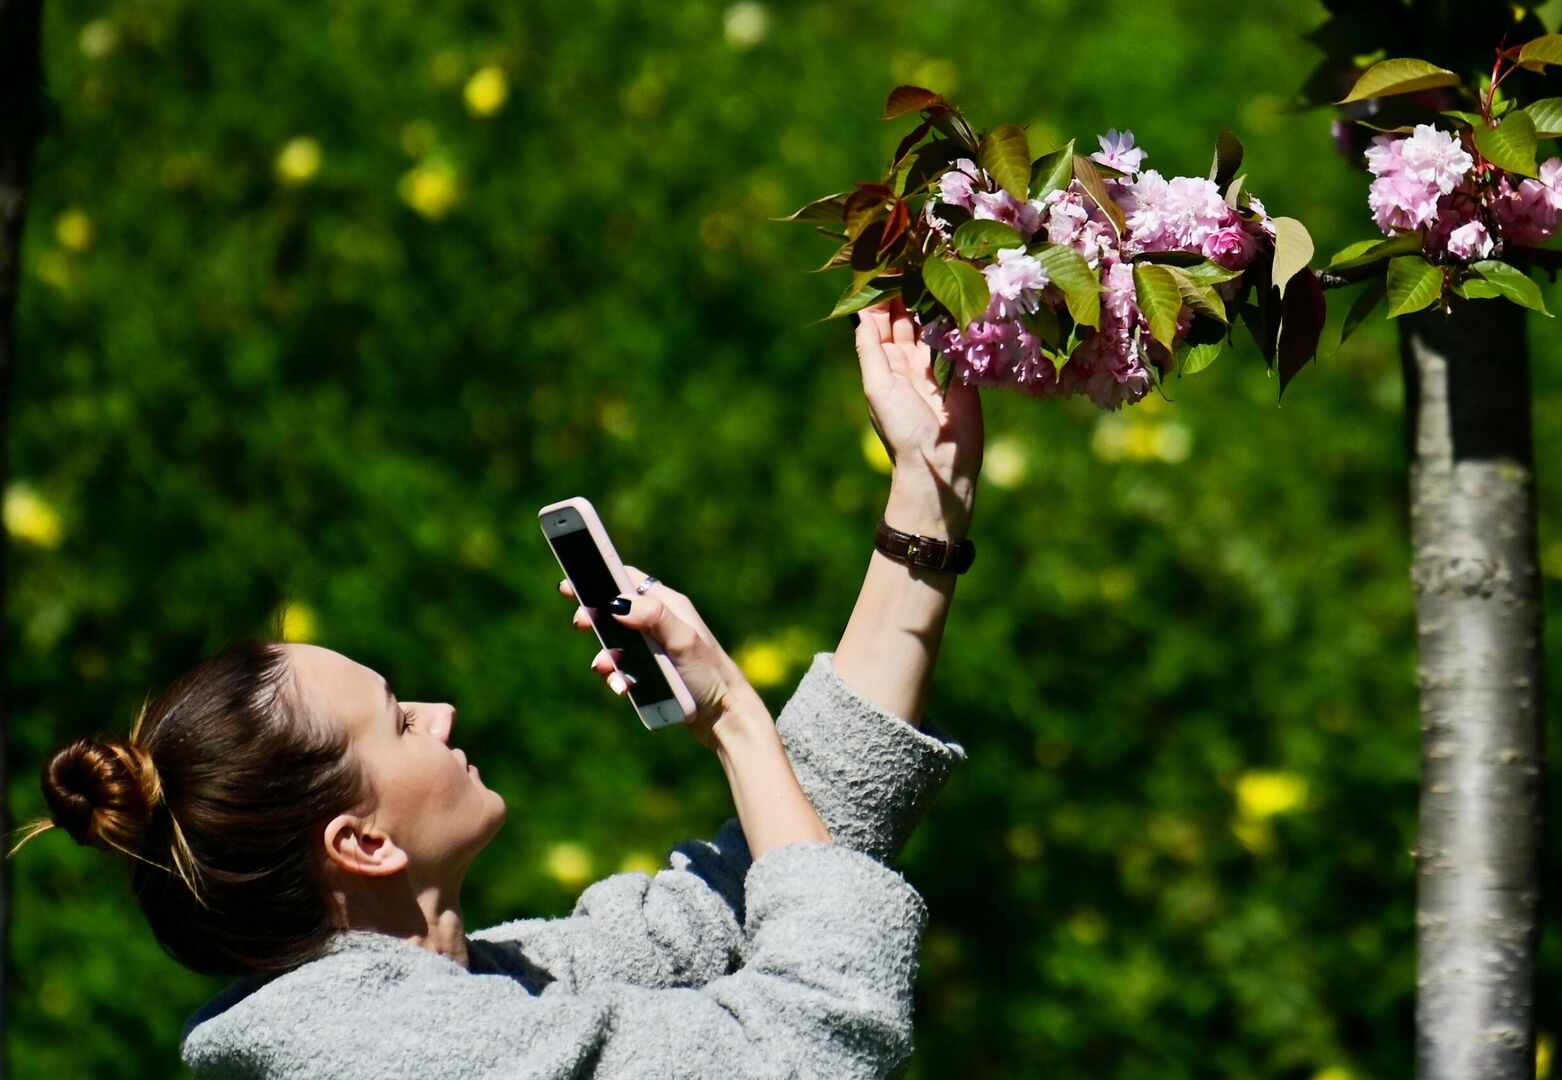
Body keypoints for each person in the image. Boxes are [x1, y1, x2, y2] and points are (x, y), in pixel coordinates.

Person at [14, 301, 981, 1079]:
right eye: (397, 721)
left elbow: (744, 900)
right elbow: (813, 1040)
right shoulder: (402, 1060)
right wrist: (731, 720)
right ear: (360, 842)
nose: (440, 715)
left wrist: (925, 500)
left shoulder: (481, 992)